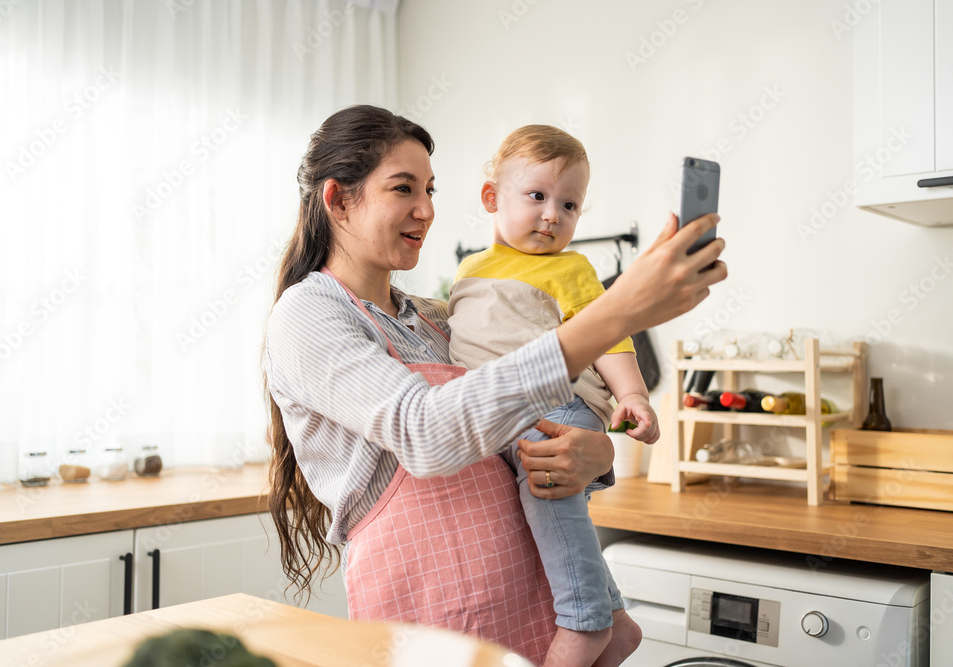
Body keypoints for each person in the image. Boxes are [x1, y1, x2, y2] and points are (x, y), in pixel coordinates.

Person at [263, 105, 725, 665]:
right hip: (435, 608)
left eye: (430, 188)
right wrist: (617, 311)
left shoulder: (441, 319)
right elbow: (425, 431)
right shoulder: (308, 315)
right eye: (403, 188)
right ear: (338, 199)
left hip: (528, 594)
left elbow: (526, 416)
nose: (426, 210)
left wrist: (596, 451)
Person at [448, 125, 658, 666]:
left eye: (569, 205)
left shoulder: (570, 267)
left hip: (552, 413)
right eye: (537, 196)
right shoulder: (469, 270)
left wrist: (632, 393)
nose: (552, 214)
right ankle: (615, 623)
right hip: (503, 414)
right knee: (565, 526)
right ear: (492, 198)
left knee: (549, 508)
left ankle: (584, 621)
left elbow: (608, 331)